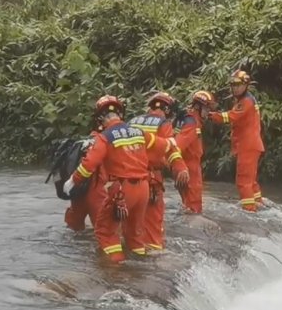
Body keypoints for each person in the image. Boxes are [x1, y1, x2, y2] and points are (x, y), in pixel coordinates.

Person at [69, 95, 188, 264]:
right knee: (140, 232)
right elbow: (168, 146)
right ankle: (145, 270)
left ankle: (116, 272)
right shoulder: (153, 127)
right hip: (147, 185)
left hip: (121, 189)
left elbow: (90, 164)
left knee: (107, 232)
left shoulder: (115, 131)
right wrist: (179, 165)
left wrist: (73, 180)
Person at [209, 70, 266, 211]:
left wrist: (212, 116)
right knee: (251, 181)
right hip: (251, 145)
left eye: (238, 84)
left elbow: (231, 117)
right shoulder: (246, 99)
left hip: (247, 146)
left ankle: (249, 211)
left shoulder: (245, 102)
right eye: (232, 85)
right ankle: (258, 204)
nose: (234, 87)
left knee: (243, 181)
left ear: (245, 85)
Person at [129, 91, 178, 252]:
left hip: (126, 177)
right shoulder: (163, 124)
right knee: (152, 224)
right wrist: (179, 167)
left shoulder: (132, 122)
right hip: (150, 178)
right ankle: (153, 259)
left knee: (129, 224)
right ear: (167, 109)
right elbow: (170, 149)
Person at [175, 90, 214, 214]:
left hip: (186, 167)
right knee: (193, 208)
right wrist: (182, 168)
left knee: (188, 206)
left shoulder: (188, 119)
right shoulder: (191, 123)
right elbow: (176, 147)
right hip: (189, 169)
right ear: (198, 106)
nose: (208, 112)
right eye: (207, 108)